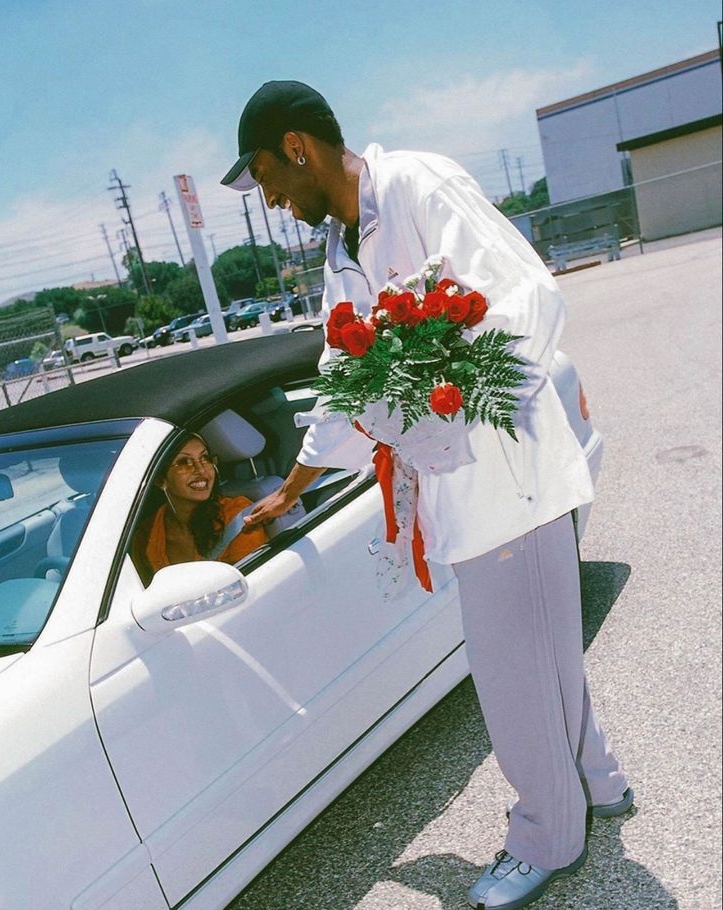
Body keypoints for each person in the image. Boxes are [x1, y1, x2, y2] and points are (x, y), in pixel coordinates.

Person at [221, 81, 633, 910]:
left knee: (513, 674)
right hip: (470, 487)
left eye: (265, 176)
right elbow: (342, 385)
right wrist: (291, 488)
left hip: (506, 478)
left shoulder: (418, 185)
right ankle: (597, 781)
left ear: (297, 148)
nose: (270, 200)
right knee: (546, 655)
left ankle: (549, 836)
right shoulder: (341, 252)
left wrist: (446, 394)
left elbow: (528, 300)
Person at [132, 433, 266, 584]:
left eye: (205, 458)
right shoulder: (145, 535)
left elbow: (254, 585)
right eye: (184, 462)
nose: (201, 470)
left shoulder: (238, 516)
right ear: (160, 480)